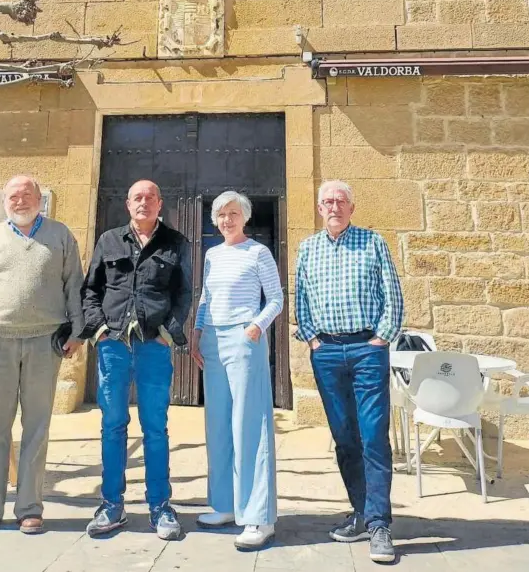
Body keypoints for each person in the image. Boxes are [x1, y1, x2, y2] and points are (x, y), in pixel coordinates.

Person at [0, 175, 84, 537]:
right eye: (13, 196)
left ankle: (30, 508)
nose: (20, 201)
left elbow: (73, 284)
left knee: (37, 427)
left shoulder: (60, 236)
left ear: (39, 199)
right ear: (5, 201)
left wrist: (77, 332)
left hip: (45, 342)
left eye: (26, 195)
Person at [295, 180, 404, 565]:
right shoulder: (307, 248)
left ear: (352, 208)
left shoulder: (373, 243)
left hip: (366, 350)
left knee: (374, 436)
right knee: (344, 438)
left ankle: (380, 524)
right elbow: (301, 299)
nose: (334, 206)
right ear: (319, 208)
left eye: (341, 201)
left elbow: (393, 296)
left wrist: (381, 339)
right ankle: (360, 511)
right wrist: (311, 339)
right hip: (325, 352)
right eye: (328, 201)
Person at [81, 180, 192, 541]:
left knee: (155, 427)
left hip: (153, 345)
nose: (144, 203)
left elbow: (184, 294)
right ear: (128, 204)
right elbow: (91, 289)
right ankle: (111, 504)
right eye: (137, 198)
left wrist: (166, 333)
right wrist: (98, 331)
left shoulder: (176, 243)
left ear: (161, 204)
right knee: (112, 425)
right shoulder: (109, 240)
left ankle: (160, 505)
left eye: (150, 198)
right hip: (113, 343)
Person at [191, 191, 283, 552]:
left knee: (250, 425)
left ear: (244, 217)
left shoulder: (258, 252)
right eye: (221, 215)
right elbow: (205, 297)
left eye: (233, 213)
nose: (227, 220)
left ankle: (259, 516)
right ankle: (226, 506)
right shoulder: (212, 254)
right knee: (218, 424)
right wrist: (197, 333)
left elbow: (275, 298)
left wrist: (255, 327)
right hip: (212, 340)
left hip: (245, 339)